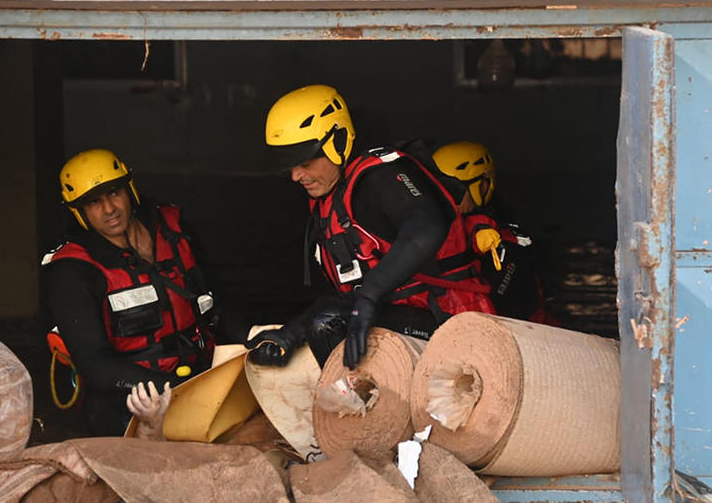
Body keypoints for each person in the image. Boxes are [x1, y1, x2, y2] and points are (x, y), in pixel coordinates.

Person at [245, 85, 495, 370]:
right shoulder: (331, 195)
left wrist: (369, 296)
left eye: (304, 162)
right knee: (326, 320)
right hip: (401, 315)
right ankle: (358, 406)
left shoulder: (382, 176)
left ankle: (358, 406)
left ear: (338, 141)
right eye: (289, 167)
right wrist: (290, 334)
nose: (296, 176)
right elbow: (345, 294)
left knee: (328, 325)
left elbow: (427, 226)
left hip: (450, 318)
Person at [42, 148, 217, 436]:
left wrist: (254, 337)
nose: (109, 209)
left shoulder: (173, 228)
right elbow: (94, 365)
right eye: (93, 202)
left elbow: (219, 298)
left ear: (130, 189)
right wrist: (165, 388)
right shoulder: (72, 270)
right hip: (129, 394)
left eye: (114, 193)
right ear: (78, 212)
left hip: (201, 372)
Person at [432, 141, 558, 325]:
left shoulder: (503, 237)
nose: (448, 197)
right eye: (439, 189)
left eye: (453, 189)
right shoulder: (432, 225)